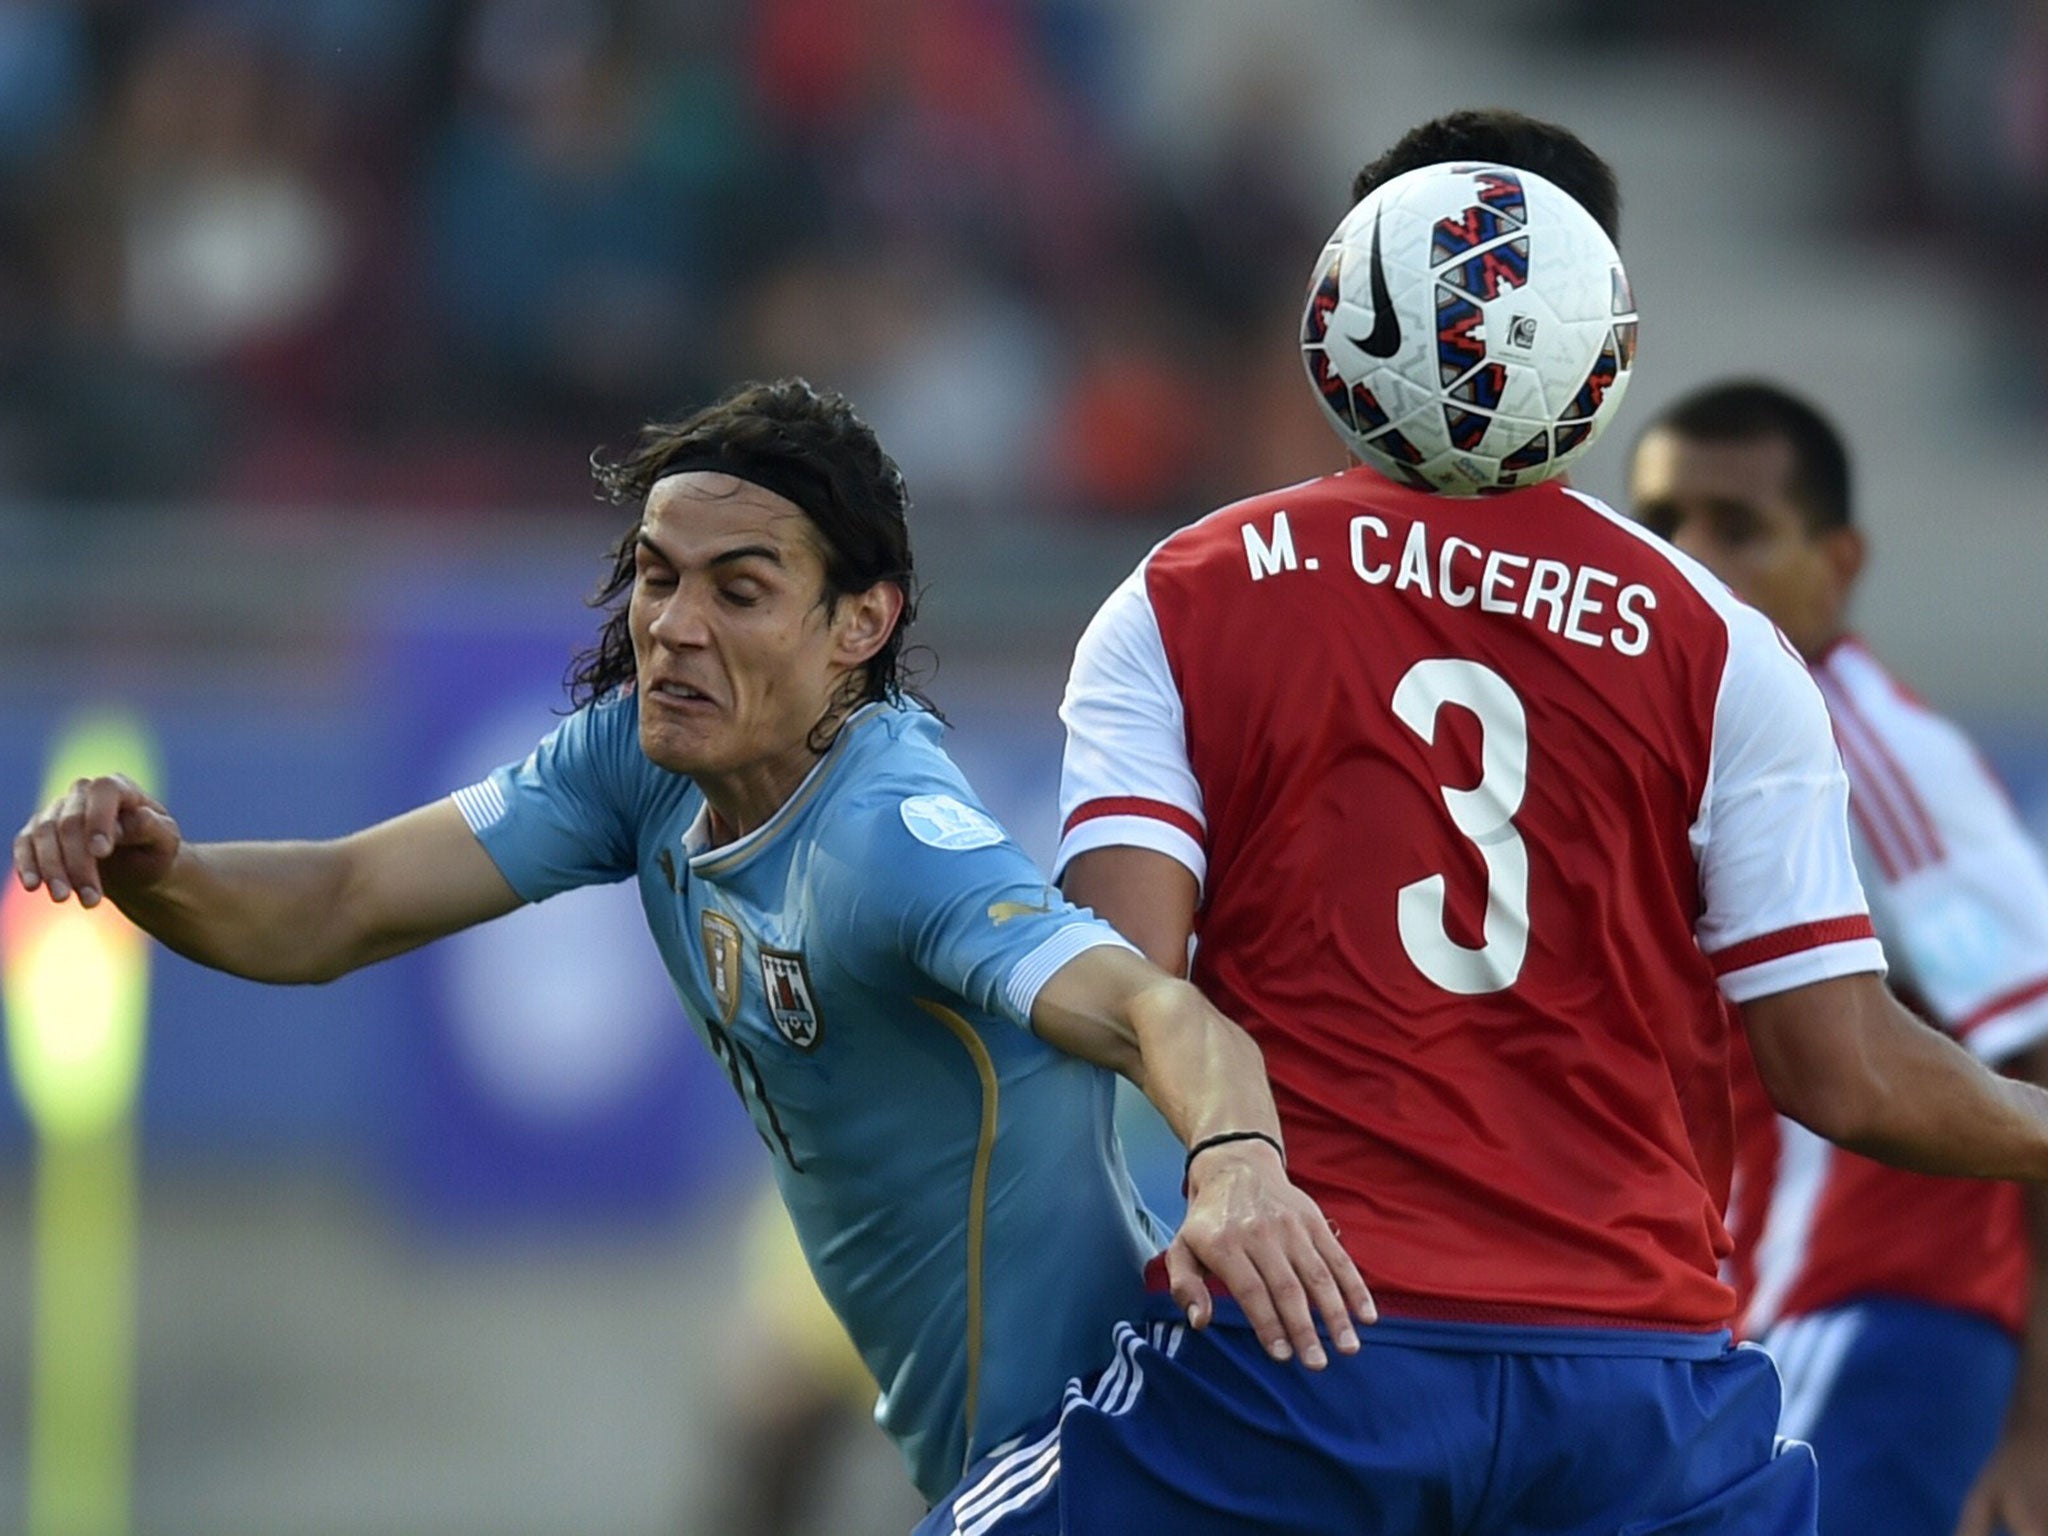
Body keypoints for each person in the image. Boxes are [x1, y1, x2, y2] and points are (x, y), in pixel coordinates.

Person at [922, 111, 2048, 1536]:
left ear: (1334, 321)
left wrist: (1226, 1152)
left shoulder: (1183, 598)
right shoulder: (1725, 649)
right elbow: (1851, 1075)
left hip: (1312, 1349)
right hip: (1642, 1389)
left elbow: (1124, 990)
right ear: (1606, 352)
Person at [10, 378, 1371, 1510]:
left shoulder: (889, 841)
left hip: (1103, 1445)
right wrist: (160, 867)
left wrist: (1239, 1162)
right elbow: (336, 904)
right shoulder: (638, 764)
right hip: (993, 1459)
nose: (672, 627)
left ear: (860, 626)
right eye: (658, 579)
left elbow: (1156, 1013)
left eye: (739, 590)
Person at [1628, 380, 2048, 1536]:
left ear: (1839, 558)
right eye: (1662, 525)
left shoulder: (1870, 756)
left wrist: (2034, 1429)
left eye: (1739, 527)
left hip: (1883, 1326)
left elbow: (2035, 1056)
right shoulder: (1714, 738)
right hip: (1765, 1319)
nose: (1695, 559)